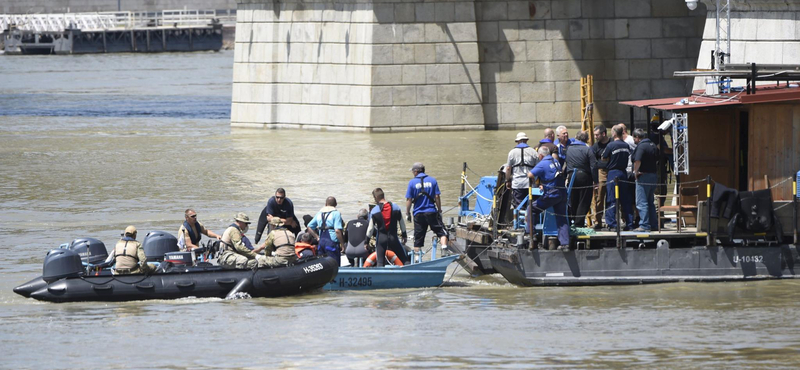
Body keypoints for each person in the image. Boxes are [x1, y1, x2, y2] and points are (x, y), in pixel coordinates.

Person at [526, 147, 570, 251]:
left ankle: (531, 235)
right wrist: (543, 184)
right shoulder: (555, 161)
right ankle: (565, 244)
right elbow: (552, 176)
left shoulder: (543, 163)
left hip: (551, 195)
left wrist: (535, 181)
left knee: (531, 208)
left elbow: (530, 174)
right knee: (561, 218)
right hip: (561, 193)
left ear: (540, 155)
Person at [405, 162, 448, 254]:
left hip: (418, 214)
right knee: (442, 232)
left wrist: (407, 213)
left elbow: (409, 199)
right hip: (431, 212)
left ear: (416, 171)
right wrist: (439, 210)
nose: (412, 173)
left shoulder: (412, 182)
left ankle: (417, 258)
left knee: (418, 238)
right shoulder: (433, 180)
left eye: (413, 171)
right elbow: (437, 196)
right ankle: (444, 249)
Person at [603, 126, 634, 231]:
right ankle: (629, 223)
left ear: (615, 134)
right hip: (623, 173)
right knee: (626, 199)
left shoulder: (610, 145)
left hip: (613, 173)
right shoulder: (626, 145)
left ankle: (612, 224)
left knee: (611, 199)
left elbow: (604, 157)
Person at [368, 188, 409, 266]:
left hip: (381, 239)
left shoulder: (375, 210)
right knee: (404, 259)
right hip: (393, 238)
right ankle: (412, 274)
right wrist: (404, 235)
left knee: (380, 262)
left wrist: (366, 241)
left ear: (376, 197)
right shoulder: (396, 207)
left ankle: (380, 277)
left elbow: (370, 229)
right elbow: (402, 224)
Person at [565, 131, 596, 227]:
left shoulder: (568, 149)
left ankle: (574, 219)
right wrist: (596, 180)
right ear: (586, 139)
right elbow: (593, 166)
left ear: (576, 137)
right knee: (584, 200)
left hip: (571, 176)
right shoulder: (588, 149)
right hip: (584, 176)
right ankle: (579, 223)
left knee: (573, 199)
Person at [632, 128, 659, 232]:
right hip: (653, 175)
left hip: (644, 176)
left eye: (634, 138)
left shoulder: (641, 146)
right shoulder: (652, 145)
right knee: (650, 201)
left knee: (641, 202)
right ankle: (654, 224)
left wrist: (636, 172)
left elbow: (637, 160)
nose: (633, 140)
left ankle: (644, 225)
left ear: (637, 137)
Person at [307, 196, 345, 265]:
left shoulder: (319, 213)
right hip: (332, 243)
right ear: (336, 204)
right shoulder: (336, 213)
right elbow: (337, 231)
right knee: (334, 265)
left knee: (322, 265)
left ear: (325, 204)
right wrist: (342, 244)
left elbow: (309, 226)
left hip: (321, 242)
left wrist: (317, 237)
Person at [505, 132, 539, 209]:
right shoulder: (533, 152)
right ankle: (531, 220)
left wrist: (508, 181)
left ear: (517, 141)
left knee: (519, 206)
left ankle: (520, 220)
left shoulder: (512, 152)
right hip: (530, 183)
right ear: (526, 140)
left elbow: (508, 168)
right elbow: (538, 167)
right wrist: (536, 179)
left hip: (517, 183)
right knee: (531, 205)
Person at [591, 125, 611, 229]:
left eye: (597, 135)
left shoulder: (611, 143)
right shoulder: (595, 147)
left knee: (613, 197)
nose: (595, 137)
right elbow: (594, 163)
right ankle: (597, 221)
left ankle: (611, 220)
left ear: (603, 134)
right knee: (599, 198)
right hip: (601, 173)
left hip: (612, 172)